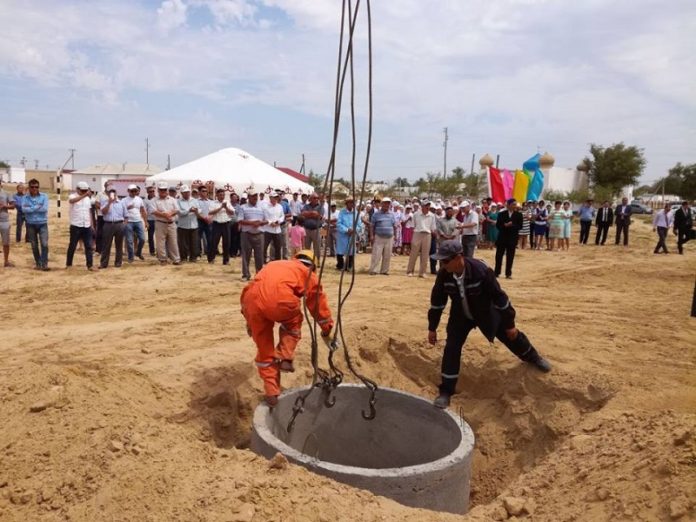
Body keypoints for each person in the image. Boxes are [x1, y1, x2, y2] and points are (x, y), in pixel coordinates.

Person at [427, 240, 552, 408]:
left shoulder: (481, 271)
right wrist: (432, 328)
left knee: (511, 335)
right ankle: (446, 391)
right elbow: (437, 302)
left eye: (445, 261)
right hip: (460, 316)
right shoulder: (444, 274)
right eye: (440, 261)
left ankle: (533, 357)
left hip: (486, 312)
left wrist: (510, 323)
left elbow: (500, 298)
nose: (442, 264)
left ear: (458, 258)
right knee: (451, 348)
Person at [240, 250, 334, 406]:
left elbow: (253, 289)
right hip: (280, 300)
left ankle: (271, 393)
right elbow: (317, 305)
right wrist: (326, 328)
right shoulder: (308, 273)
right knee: (293, 322)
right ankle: (285, 357)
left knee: (264, 350)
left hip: (250, 301)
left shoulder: (275, 263)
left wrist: (249, 322)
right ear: (313, 266)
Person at [66, 181, 95, 270]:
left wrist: (92, 224)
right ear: (77, 189)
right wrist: (84, 195)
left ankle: (90, 265)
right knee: (73, 245)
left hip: (86, 225)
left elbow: (89, 212)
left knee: (89, 246)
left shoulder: (88, 199)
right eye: (82, 191)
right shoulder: (73, 196)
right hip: (76, 225)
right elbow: (72, 201)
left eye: (85, 190)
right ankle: (69, 264)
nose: (84, 192)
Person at [22, 179, 50, 270]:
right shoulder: (25, 198)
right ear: (29, 187)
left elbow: (44, 209)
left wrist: (31, 208)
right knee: (34, 245)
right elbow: (24, 210)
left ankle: (44, 263)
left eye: (36, 187)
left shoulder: (44, 196)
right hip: (30, 224)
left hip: (42, 223)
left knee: (44, 244)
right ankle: (38, 263)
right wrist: (37, 207)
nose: (34, 188)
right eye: (32, 187)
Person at [152, 182, 181, 265]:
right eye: (161, 190)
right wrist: (164, 215)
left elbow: (177, 209)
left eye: (164, 189)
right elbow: (153, 211)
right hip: (160, 223)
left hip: (171, 223)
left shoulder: (172, 199)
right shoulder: (154, 200)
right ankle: (163, 259)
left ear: (167, 190)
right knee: (160, 242)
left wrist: (169, 214)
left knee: (173, 242)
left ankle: (176, 259)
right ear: (158, 190)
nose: (163, 191)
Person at [239, 192, 267, 280]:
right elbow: (240, 220)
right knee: (246, 255)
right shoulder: (243, 207)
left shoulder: (262, 207)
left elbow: (267, 220)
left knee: (259, 256)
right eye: (253, 196)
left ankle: (259, 275)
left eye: (256, 196)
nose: (255, 197)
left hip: (259, 234)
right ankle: (246, 275)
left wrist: (260, 223)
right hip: (246, 234)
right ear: (248, 197)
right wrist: (252, 223)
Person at [99, 187, 128, 269]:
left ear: (116, 193)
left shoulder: (121, 203)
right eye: (110, 192)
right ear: (108, 194)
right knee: (106, 245)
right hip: (108, 224)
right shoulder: (104, 202)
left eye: (113, 192)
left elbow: (126, 216)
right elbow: (104, 212)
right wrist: (109, 203)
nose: (112, 193)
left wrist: (124, 225)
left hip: (119, 224)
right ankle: (104, 263)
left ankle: (118, 262)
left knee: (119, 245)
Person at [406, 200, 436, 277]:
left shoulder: (432, 215)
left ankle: (422, 272)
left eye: (429, 205)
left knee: (425, 254)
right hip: (417, 233)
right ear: (422, 206)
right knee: (414, 253)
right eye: (426, 205)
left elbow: (433, 228)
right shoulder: (416, 214)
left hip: (427, 234)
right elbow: (413, 226)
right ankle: (410, 271)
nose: (428, 207)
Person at [494, 198, 522, 279]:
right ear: (508, 205)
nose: (515, 206)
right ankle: (497, 272)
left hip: (512, 238)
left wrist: (512, 225)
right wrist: (505, 225)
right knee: (499, 256)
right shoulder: (501, 214)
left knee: (510, 256)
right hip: (502, 237)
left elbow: (520, 226)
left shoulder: (518, 215)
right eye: (513, 204)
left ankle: (508, 273)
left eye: (515, 204)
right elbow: (498, 225)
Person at [369, 197, 396, 275]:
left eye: (388, 203)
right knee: (376, 254)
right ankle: (373, 270)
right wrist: (371, 235)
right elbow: (372, 225)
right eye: (385, 203)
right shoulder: (376, 214)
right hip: (379, 237)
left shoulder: (392, 214)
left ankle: (384, 270)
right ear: (382, 204)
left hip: (389, 237)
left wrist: (395, 235)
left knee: (387, 255)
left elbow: (394, 225)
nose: (386, 205)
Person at [208, 188, 235, 265]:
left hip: (226, 224)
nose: (222, 196)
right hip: (216, 224)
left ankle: (226, 260)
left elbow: (232, 212)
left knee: (227, 242)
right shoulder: (213, 203)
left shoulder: (227, 203)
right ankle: (211, 259)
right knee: (214, 242)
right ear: (217, 195)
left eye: (223, 195)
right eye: (220, 195)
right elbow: (210, 212)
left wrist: (226, 207)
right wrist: (220, 207)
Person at [335, 196, 361, 271]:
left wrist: (354, 229)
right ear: (346, 203)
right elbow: (339, 223)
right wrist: (346, 230)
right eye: (349, 202)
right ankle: (340, 265)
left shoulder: (356, 212)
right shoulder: (342, 212)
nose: (351, 204)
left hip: (352, 234)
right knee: (340, 250)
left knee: (351, 251)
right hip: (343, 235)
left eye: (353, 202)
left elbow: (359, 224)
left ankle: (350, 266)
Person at [124, 184, 148, 262]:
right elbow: (120, 211)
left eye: (135, 191)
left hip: (138, 221)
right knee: (129, 241)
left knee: (142, 239)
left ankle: (138, 252)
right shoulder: (124, 200)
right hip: (129, 222)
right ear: (128, 191)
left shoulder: (139, 199)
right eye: (132, 191)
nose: (134, 192)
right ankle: (131, 257)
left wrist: (145, 221)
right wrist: (127, 208)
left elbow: (143, 210)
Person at [176, 185, 200, 262]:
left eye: (188, 192)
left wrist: (196, 211)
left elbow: (200, 210)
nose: (187, 194)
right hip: (183, 225)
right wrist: (188, 210)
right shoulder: (178, 201)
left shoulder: (195, 200)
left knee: (194, 242)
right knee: (183, 243)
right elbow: (179, 212)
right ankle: (183, 257)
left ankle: (193, 258)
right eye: (185, 192)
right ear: (182, 193)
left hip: (193, 224)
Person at [301, 193, 324, 261]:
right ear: (310, 199)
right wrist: (313, 213)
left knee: (317, 247)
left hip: (316, 230)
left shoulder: (320, 207)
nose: (316, 199)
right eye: (314, 198)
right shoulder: (306, 206)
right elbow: (303, 214)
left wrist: (308, 214)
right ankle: (307, 261)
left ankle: (317, 261)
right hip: (307, 230)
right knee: (306, 247)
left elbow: (319, 216)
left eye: (317, 198)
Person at [263, 193, 285, 262]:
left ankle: (277, 261)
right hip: (268, 230)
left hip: (277, 230)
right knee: (264, 246)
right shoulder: (265, 206)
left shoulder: (280, 206)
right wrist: (270, 222)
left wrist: (279, 221)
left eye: (276, 197)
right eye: (274, 197)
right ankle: (263, 260)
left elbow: (282, 216)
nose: (276, 199)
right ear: (270, 198)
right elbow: (264, 216)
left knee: (278, 247)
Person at [0, 178, 15, 267]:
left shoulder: (6, 193)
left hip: (4, 221)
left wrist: (4, 206)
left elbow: (13, 205)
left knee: (6, 243)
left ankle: (6, 261)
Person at [143, 184, 158, 256]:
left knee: (159, 236)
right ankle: (152, 251)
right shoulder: (145, 201)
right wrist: (145, 222)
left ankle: (159, 250)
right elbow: (144, 211)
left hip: (158, 219)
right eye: (150, 191)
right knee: (150, 236)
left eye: (153, 191)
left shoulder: (157, 199)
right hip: (150, 220)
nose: (152, 192)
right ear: (147, 192)